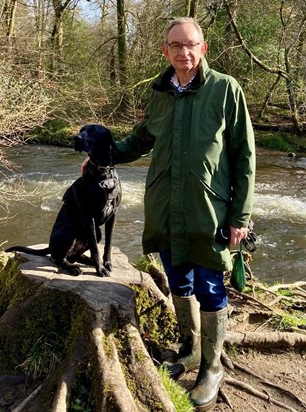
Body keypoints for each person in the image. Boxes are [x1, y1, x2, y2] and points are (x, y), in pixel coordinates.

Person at [82, 16, 255, 411]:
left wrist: (240, 218)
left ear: (203, 48)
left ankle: (212, 368)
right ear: (165, 51)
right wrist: (98, 160)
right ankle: (190, 350)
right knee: (178, 279)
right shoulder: (159, 93)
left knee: (210, 287)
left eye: (190, 44)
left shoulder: (226, 90)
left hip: (208, 211)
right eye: (175, 45)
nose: (184, 52)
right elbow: (140, 140)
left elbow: (245, 158)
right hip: (165, 207)